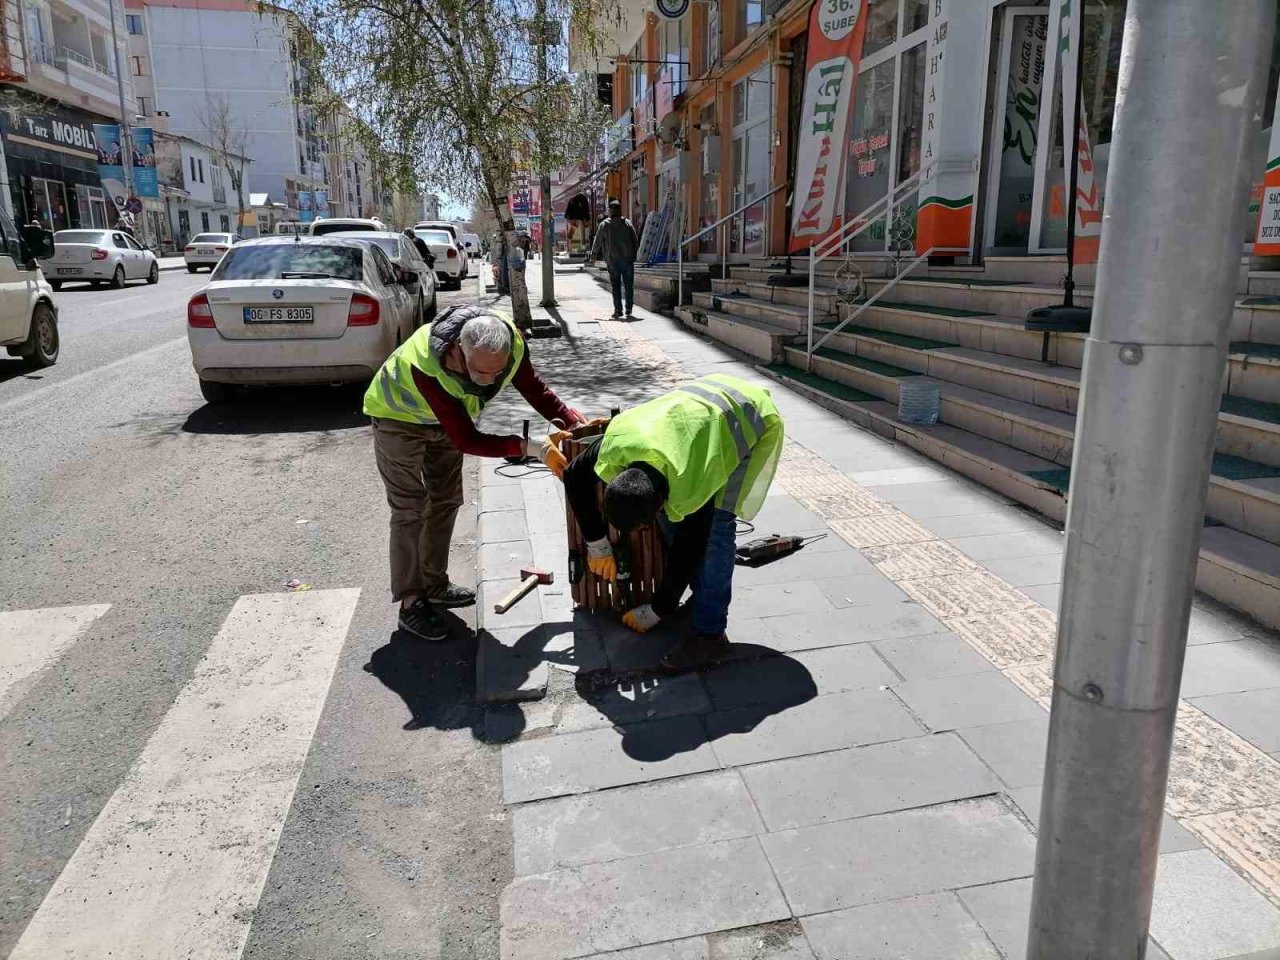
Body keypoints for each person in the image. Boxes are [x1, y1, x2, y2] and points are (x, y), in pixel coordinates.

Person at [364, 304, 586, 641]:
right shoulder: (427, 364)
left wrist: (571, 421)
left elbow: (534, 389)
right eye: (479, 372)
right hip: (398, 420)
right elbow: (468, 439)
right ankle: (411, 601)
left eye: (496, 373)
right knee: (410, 509)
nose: (488, 381)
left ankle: (435, 584)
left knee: (446, 500)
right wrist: (531, 447)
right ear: (457, 350)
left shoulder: (510, 345)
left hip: (445, 422)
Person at [563, 374, 784, 672]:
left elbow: (689, 548)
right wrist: (597, 544)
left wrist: (658, 610)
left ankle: (710, 635)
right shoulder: (617, 443)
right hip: (701, 406)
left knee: (717, 530)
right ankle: (701, 598)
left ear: (660, 499)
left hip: (747, 417)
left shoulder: (693, 479)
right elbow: (574, 474)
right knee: (677, 520)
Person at [590, 199, 639, 319]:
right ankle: (629, 308)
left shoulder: (604, 224)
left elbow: (597, 242)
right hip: (627, 260)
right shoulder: (628, 223)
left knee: (615, 286)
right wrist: (634, 255)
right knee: (629, 285)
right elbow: (635, 240)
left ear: (610, 211)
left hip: (612, 261)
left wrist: (593, 256)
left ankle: (618, 310)